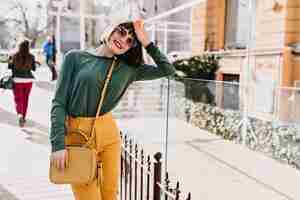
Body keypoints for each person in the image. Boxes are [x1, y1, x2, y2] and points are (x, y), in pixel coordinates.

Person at [49, 20, 175, 200]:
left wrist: (146, 41)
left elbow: (168, 70)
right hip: (77, 134)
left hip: (109, 134)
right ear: (110, 30)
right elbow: (59, 102)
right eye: (122, 32)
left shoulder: (129, 69)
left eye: (131, 40)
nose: (123, 40)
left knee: (110, 194)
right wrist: (57, 143)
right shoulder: (75, 58)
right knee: (88, 196)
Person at [8, 39, 36, 127]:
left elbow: (9, 67)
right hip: (28, 81)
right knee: (25, 99)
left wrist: (10, 59)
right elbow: (34, 68)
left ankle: (19, 115)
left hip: (17, 80)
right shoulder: (31, 56)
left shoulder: (14, 56)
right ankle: (23, 117)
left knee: (18, 99)